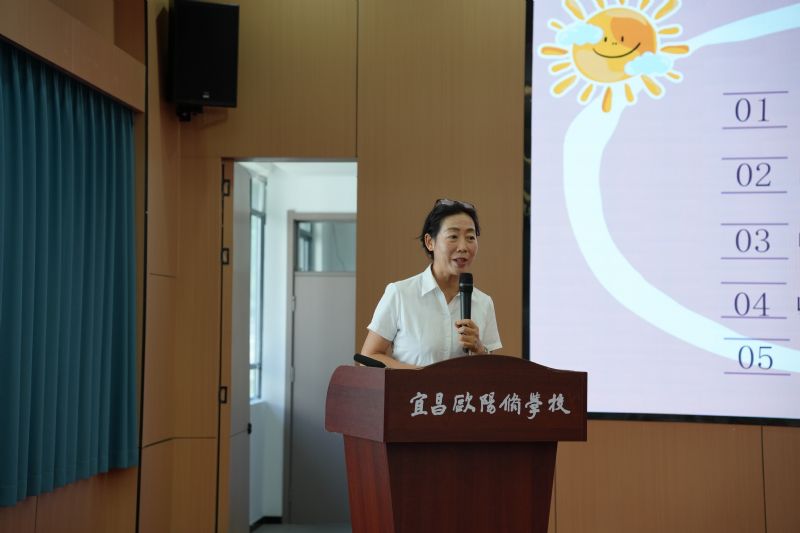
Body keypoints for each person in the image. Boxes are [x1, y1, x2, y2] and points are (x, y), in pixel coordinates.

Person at [360, 198, 502, 368]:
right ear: (430, 242)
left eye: (470, 237)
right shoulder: (400, 294)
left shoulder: (484, 303)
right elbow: (369, 356)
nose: (463, 247)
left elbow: (492, 371)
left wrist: (480, 349)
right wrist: (421, 375)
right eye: (453, 236)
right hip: (412, 387)